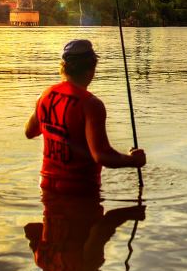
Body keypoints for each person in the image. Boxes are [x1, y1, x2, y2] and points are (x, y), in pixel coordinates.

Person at [25, 39, 146, 196]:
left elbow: (30, 132)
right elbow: (101, 155)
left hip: (46, 184)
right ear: (91, 69)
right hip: (80, 188)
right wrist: (133, 161)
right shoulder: (91, 104)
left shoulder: (45, 95)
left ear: (64, 68)